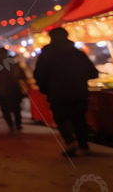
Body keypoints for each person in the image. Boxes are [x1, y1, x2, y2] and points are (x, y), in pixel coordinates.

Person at [33, 27, 99, 155]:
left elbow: (39, 75)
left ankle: (70, 142)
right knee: (79, 118)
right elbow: (92, 72)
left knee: (62, 118)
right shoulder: (77, 53)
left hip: (57, 94)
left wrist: (44, 89)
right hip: (78, 92)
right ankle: (83, 145)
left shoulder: (46, 55)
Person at [0, 47, 28, 134]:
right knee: (16, 108)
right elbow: (22, 75)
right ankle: (18, 125)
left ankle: (10, 125)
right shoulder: (14, 63)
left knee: (5, 109)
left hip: (1, 90)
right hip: (14, 89)